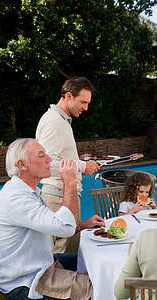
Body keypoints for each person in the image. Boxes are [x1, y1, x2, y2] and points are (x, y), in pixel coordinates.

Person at [0, 138, 105, 300]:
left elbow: (53, 229)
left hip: (40, 266)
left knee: (95, 262)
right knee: (98, 289)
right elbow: (64, 228)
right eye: (41, 155)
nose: (49, 159)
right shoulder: (16, 198)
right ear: (22, 165)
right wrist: (70, 182)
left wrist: (84, 224)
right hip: (26, 283)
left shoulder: (28, 191)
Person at [36, 76, 100, 253]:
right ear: (69, 96)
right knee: (63, 257)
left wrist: (80, 159)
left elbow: (57, 156)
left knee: (71, 251)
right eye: (83, 102)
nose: (86, 108)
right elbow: (46, 165)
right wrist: (82, 166)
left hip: (63, 196)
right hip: (58, 198)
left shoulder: (61, 120)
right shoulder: (54, 122)